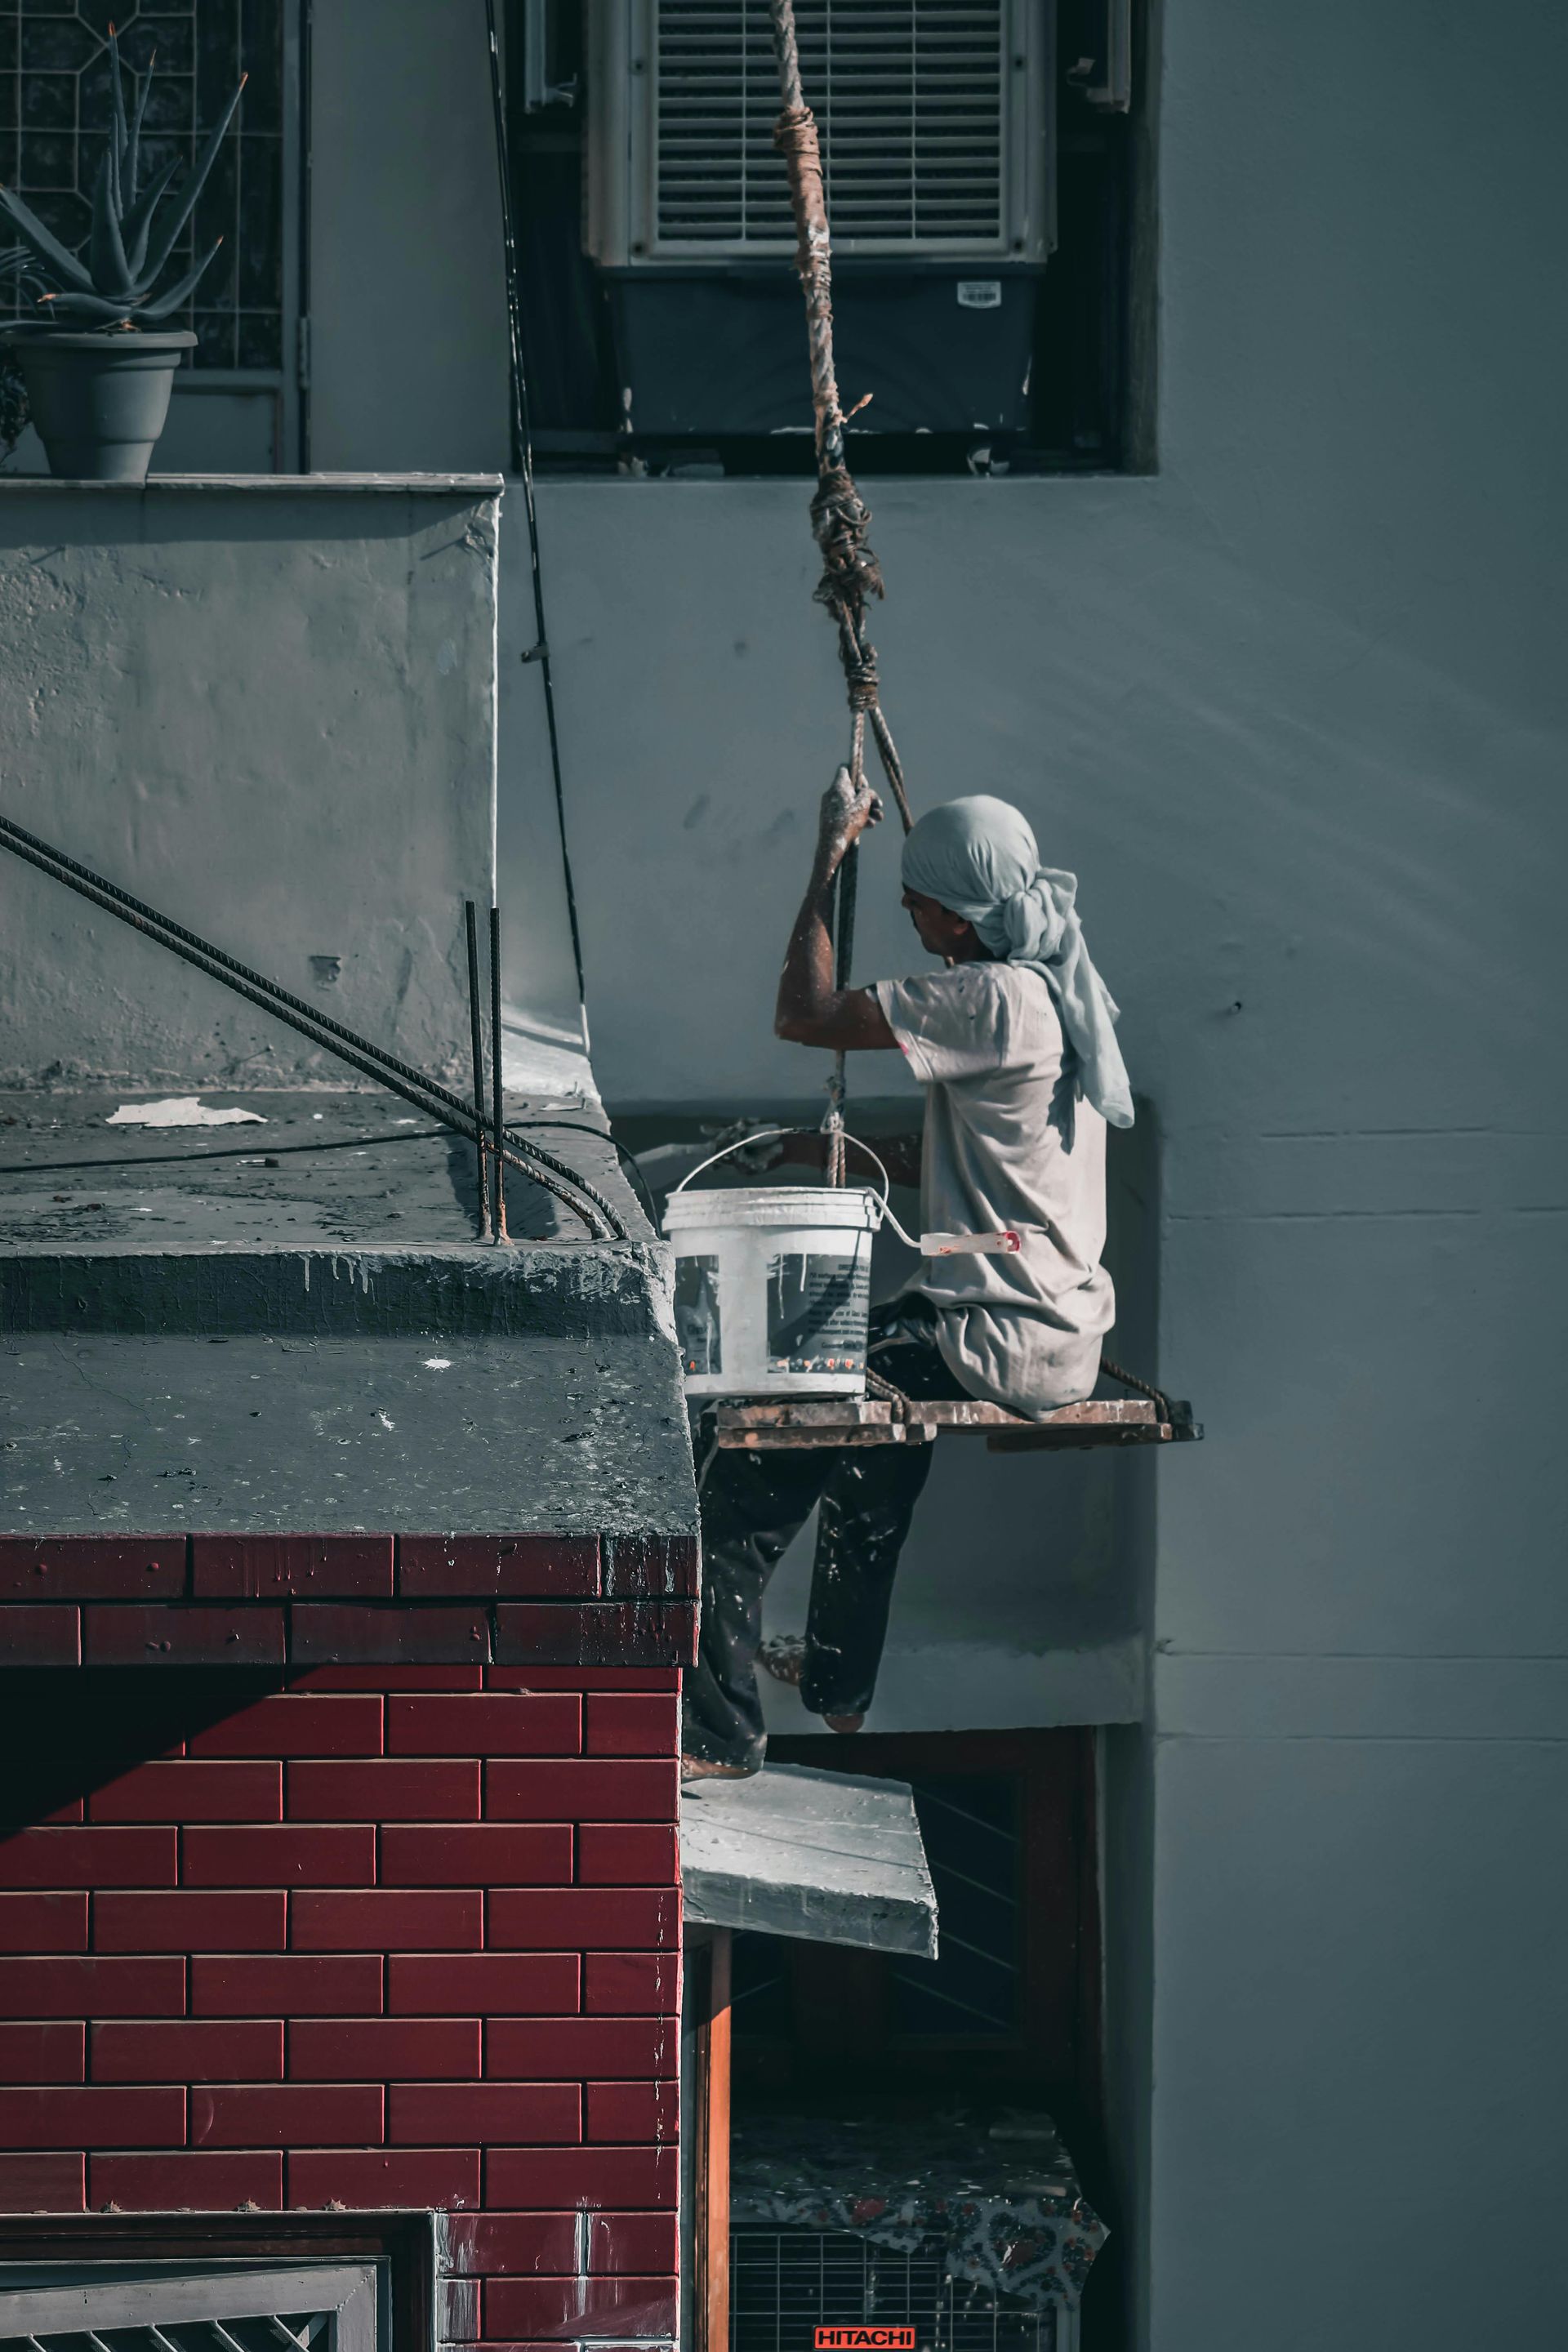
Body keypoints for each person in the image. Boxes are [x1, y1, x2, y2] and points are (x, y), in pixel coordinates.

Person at [680, 768, 1134, 1780]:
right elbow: (964, 1159)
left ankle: (716, 1733)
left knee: (744, 1450)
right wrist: (799, 1152)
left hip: (992, 1332)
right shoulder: (1060, 993)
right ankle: (840, 1688)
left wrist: (827, 856)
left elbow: (804, 1013)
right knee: (873, 1444)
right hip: (1052, 1330)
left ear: (962, 917)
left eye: (916, 902)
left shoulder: (988, 998)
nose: (908, 916)